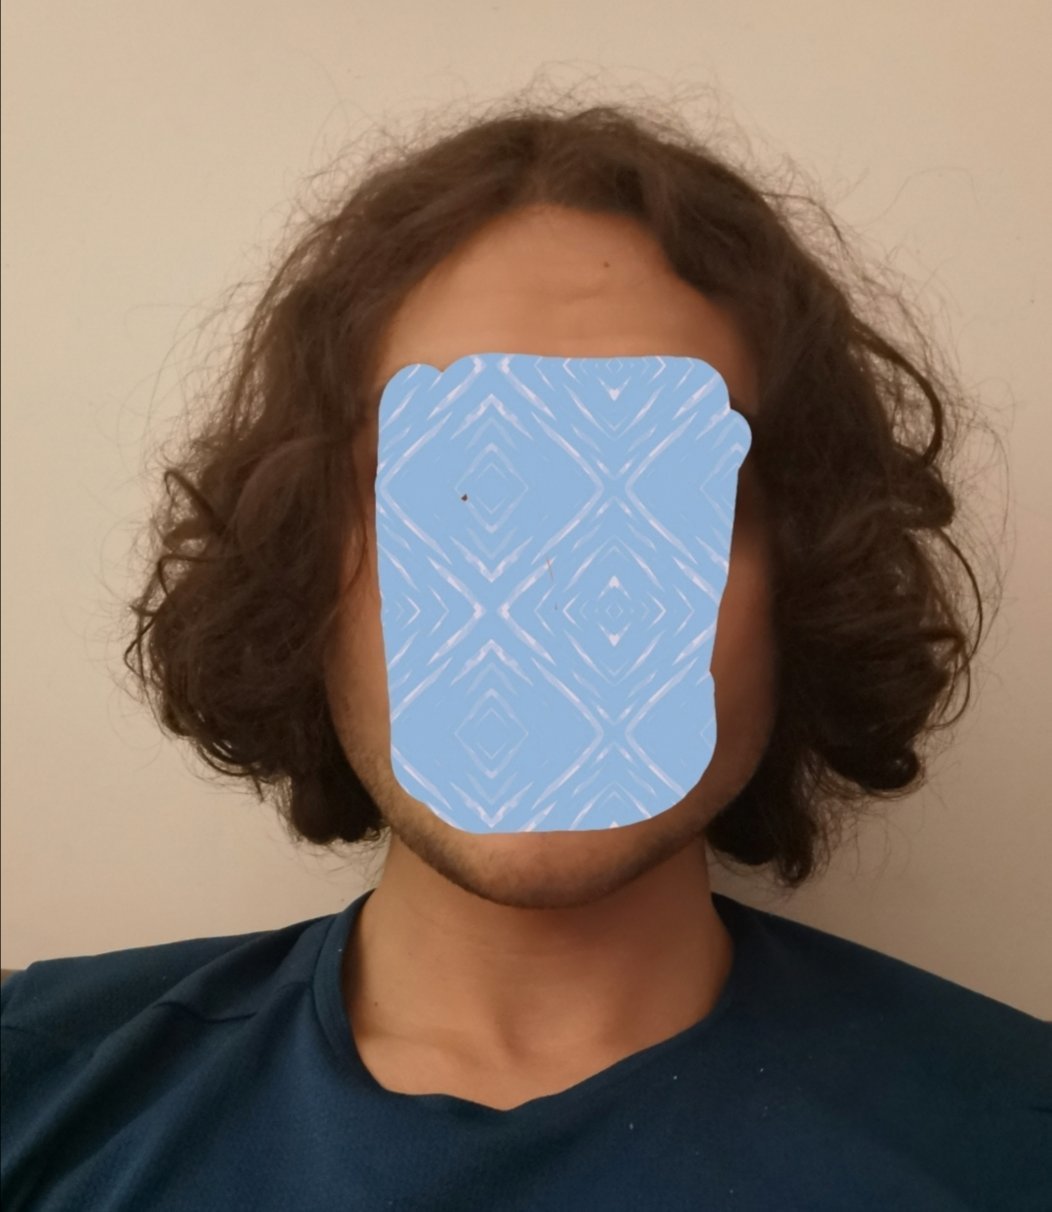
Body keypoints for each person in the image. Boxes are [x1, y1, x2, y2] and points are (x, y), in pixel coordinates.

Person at [2, 97, 1049, 1211]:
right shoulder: (39, 1089)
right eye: (456, 486)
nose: (551, 592)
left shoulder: (1009, 1145)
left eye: (666, 492)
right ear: (301, 568)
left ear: (807, 587)